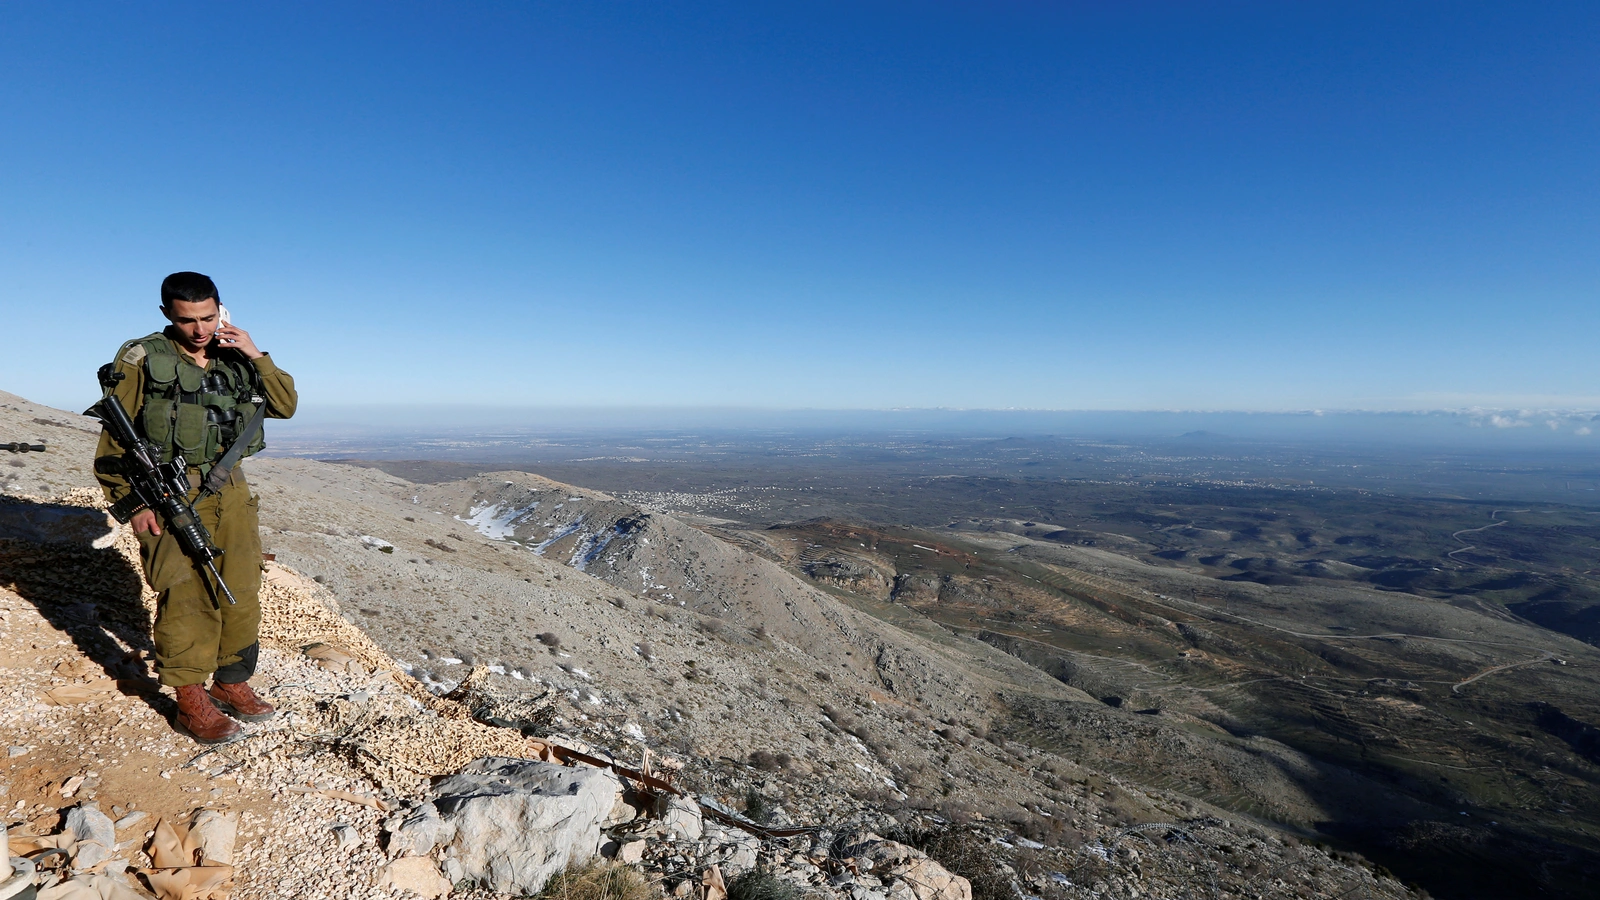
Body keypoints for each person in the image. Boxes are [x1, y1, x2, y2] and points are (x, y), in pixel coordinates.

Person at [94, 271, 298, 744]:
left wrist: (254, 352)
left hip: (230, 489)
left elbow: (285, 405)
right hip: (167, 491)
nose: (200, 330)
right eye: (188, 321)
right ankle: (189, 700)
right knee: (186, 593)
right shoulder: (143, 357)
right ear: (167, 314)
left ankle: (230, 682)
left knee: (243, 587)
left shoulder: (235, 356)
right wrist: (132, 505)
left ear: (220, 311)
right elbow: (113, 437)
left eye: (208, 317)